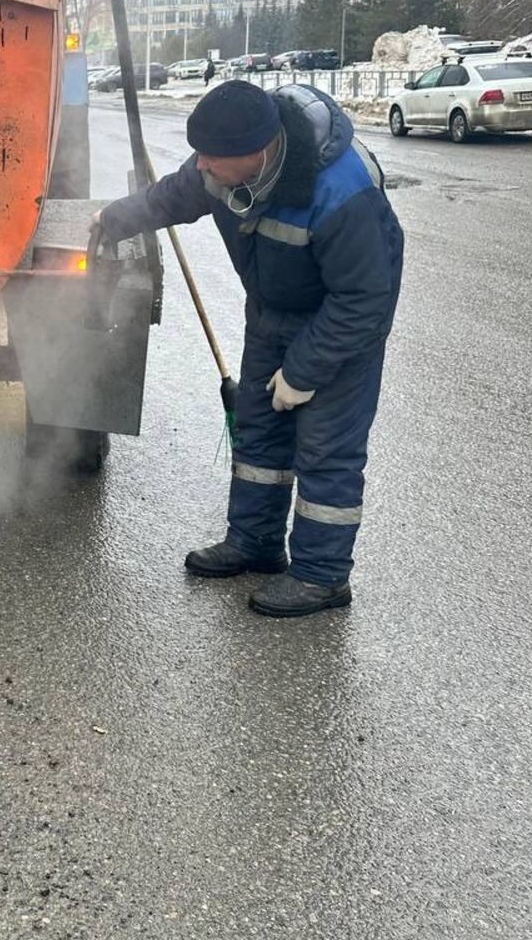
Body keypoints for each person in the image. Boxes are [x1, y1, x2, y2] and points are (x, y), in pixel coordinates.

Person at [89, 80, 403, 617]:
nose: (202, 165)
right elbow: (173, 195)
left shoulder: (342, 191)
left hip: (343, 324)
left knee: (326, 449)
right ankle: (255, 542)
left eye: (212, 157)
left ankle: (322, 577)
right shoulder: (220, 167)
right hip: (271, 313)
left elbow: (364, 298)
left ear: (258, 151)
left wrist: (303, 371)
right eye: (200, 154)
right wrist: (113, 219)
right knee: (258, 429)